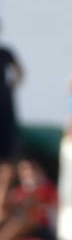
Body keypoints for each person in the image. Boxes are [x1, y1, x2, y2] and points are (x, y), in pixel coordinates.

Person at [0, 19, 22, 204]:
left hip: (5, 114)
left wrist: (15, 84)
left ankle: (2, 200)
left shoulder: (6, 53)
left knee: (8, 159)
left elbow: (20, 71)